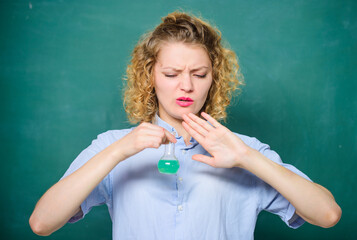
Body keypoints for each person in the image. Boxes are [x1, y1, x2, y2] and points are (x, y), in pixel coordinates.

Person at [29, 11, 341, 239]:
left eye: (200, 74)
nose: (186, 86)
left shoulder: (241, 150)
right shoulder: (114, 145)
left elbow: (328, 215)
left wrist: (247, 157)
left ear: (214, 79)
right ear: (150, 76)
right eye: (171, 74)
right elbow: (42, 223)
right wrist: (118, 152)